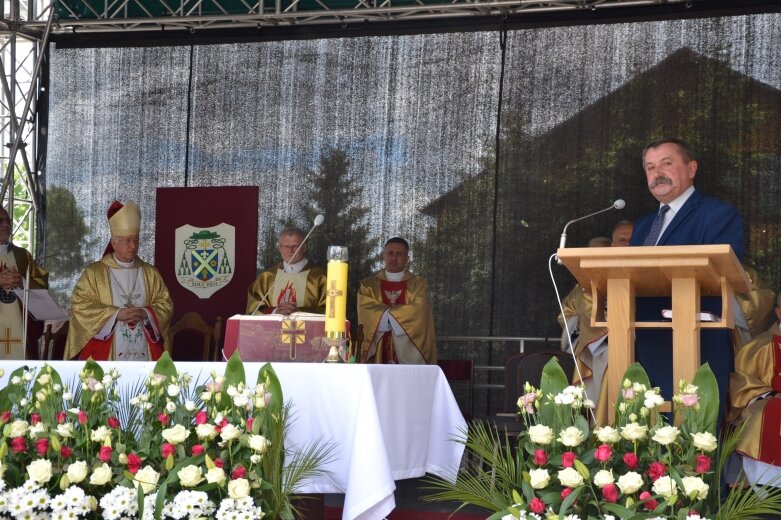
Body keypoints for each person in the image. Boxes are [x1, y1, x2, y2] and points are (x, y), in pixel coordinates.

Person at [629, 137, 745, 416]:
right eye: (650, 167)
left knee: (695, 446)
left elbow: (722, 273)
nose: (657, 174)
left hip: (697, 345)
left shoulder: (718, 215)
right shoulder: (644, 225)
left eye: (666, 164)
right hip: (643, 346)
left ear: (691, 168)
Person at [64, 201, 173, 361]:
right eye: (127, 241)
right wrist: (116, 314)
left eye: (136, 240)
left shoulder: (150, 273)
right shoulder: (94, 272)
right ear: (114, 243)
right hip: (106, 347)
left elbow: (166, 304)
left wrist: (145, 313)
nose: (133, 246)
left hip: (145, 345)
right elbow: (79, 305)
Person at [561, 222, 634, 423]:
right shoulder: (585, 283)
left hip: (634, 345)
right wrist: (583, 326)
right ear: (612, 245)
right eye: (622, 240)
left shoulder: (648, 275)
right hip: (592, 348)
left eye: (631, 240)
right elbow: (567, 313)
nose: (627, 244)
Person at [357, 237, 436, 364]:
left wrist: (386, 316)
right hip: (378, 348)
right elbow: (366, 310)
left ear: (407, 258)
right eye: (390, 253)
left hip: (408, 349)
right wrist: (397, 316)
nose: (394, 258)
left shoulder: (418, 284)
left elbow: (419, 310)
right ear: (383, 255)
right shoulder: (369, 284)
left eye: (399, 254)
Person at [729, 292, 781, 464]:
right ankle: (769, 486)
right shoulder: (759, 346)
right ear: (778, 312)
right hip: (771, 402)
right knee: (765, 413)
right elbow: (741, 382)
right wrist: (769, 396)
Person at [0, 206, 48, 359]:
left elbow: (41, 282)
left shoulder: (22, 255)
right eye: (0, 221)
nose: (6, 225)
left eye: (8, 221)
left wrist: (22, 282)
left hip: (20, 327)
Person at [245, 227, 326, 315]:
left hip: (309, 328)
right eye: (286, 246)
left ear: (304, 247)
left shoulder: (320, 277)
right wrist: (275, 312)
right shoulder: (267, 277)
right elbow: (253, 308)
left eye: (295, 246)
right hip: (272, 328)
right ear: (279, 248)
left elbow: (331, 310)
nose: (290, 251)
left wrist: (299, 312)